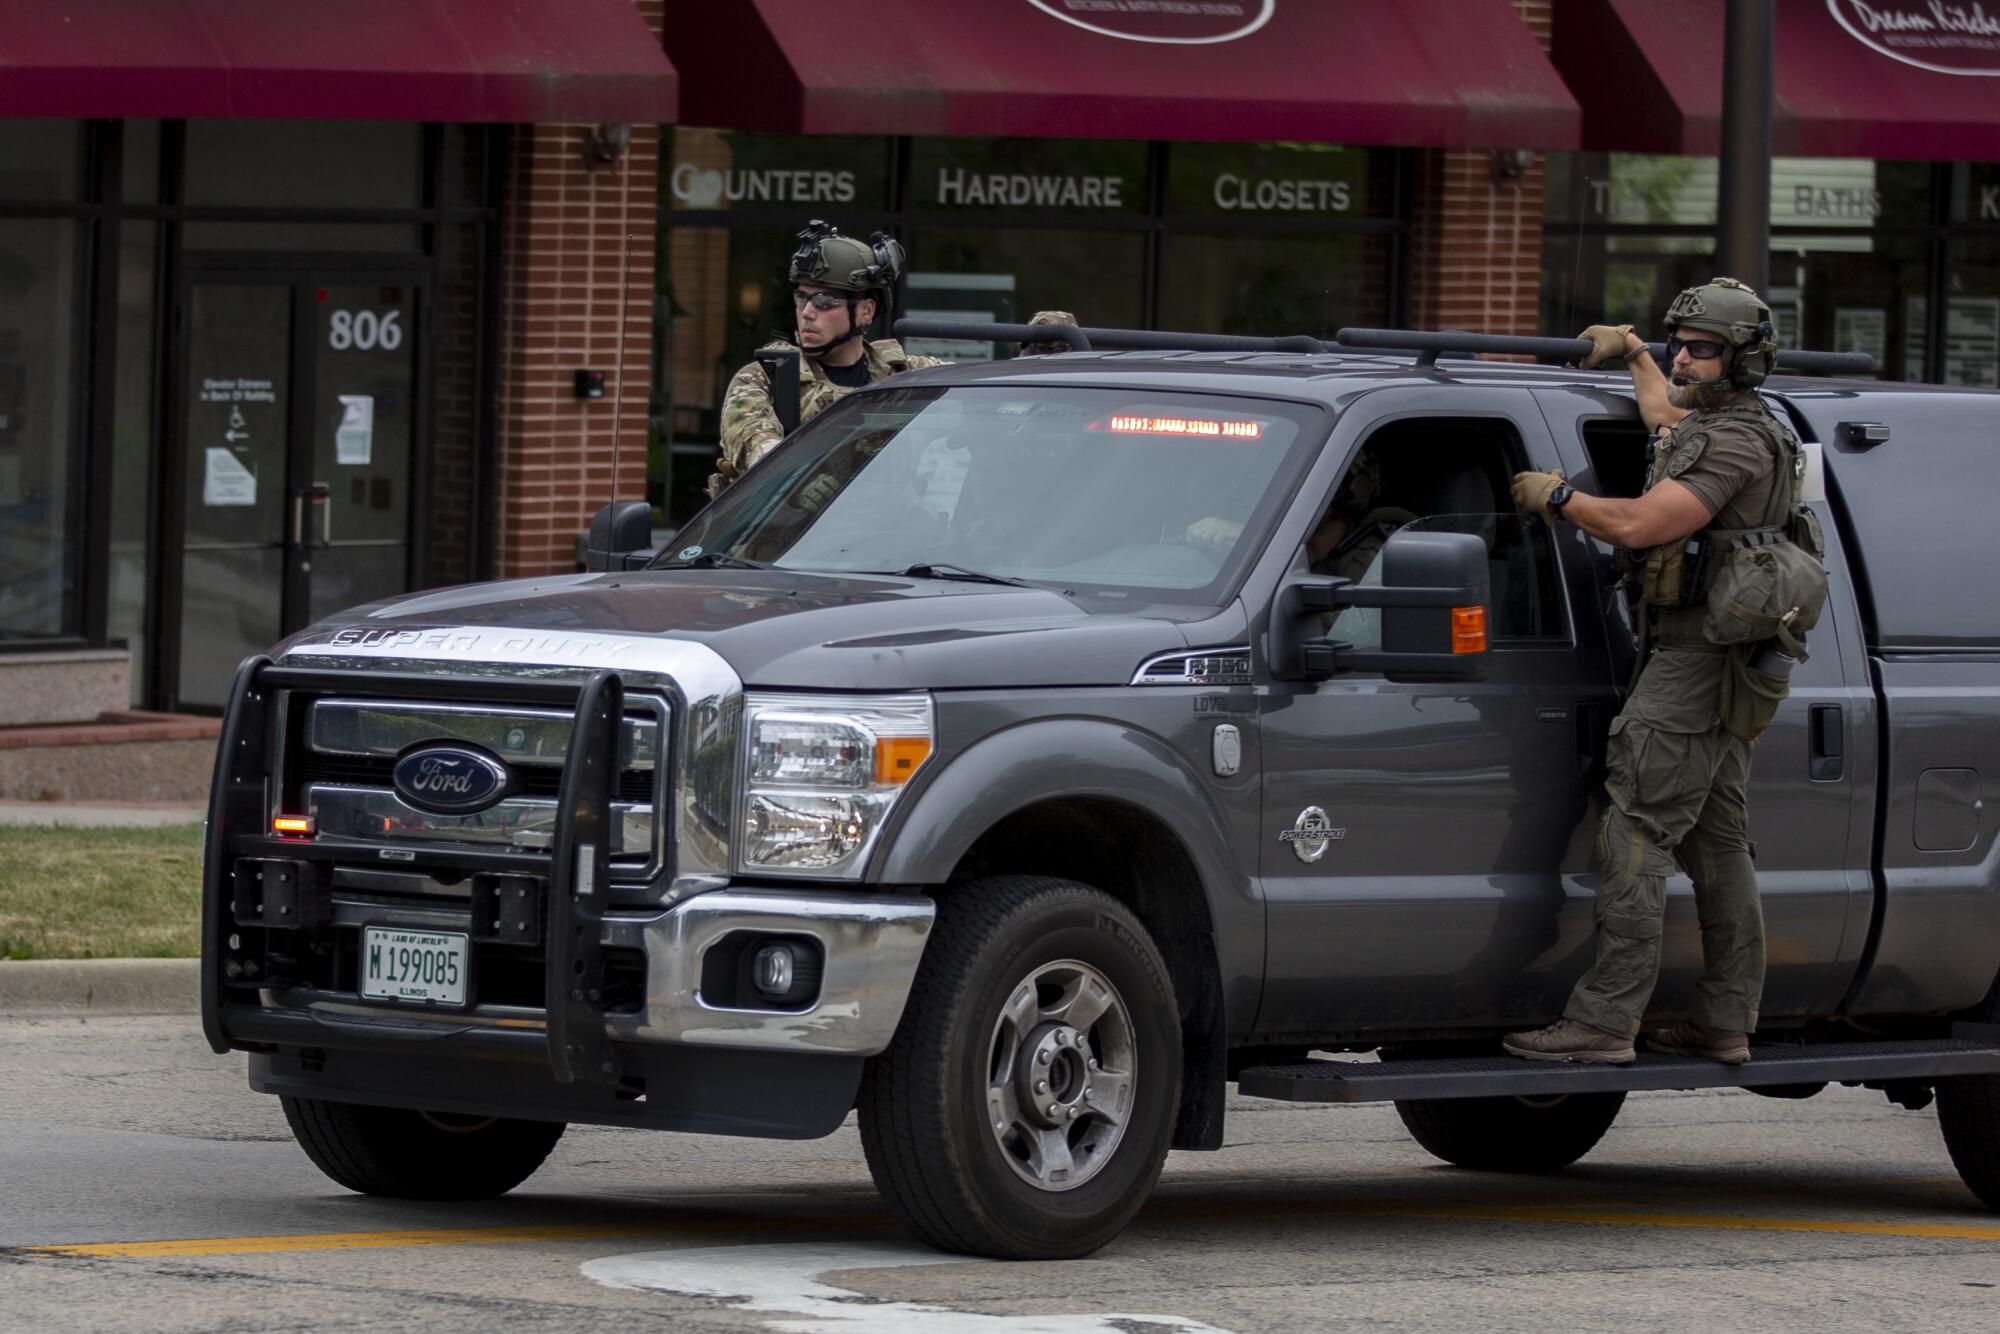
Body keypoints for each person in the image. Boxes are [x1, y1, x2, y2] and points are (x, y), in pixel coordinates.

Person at [1503, 277, 1793, 1067]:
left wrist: (1559, 497)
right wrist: (1632, 352)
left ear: (1742, 363)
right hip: (1719, 665)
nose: (1683, 361)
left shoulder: (1737, 439)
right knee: (1718, 840)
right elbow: (1666, 418)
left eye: (1701, 350)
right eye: (1677, 345)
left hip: (1696, 666)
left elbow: (1640, 524)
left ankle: (1604, 1020)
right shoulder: (1723, 421)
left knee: (1633, 830)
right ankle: (1726, 1019)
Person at [709, 220, 1075, 498]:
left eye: (825, 303)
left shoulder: (905, 376)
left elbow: (991, 392)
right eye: (801, 299)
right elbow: (766, 464)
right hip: (778, 557)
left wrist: (1036, 352)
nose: (807, 313)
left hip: (881, 558)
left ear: (866, 311)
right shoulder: (764, 380)